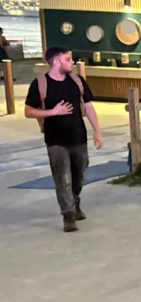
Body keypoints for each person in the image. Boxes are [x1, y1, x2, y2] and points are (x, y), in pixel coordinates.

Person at [24, 47, 104, 232]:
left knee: (79, 175)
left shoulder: (77, 81)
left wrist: (97, 131)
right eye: (68, 59)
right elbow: (28, 111)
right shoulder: (40, 84)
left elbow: (89, 107)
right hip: (55, 141)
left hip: (79, 137)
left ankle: (75, 201)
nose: (72, 62)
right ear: (56, 62)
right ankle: (68, 215)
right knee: (63, 179)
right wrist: (53, 112)